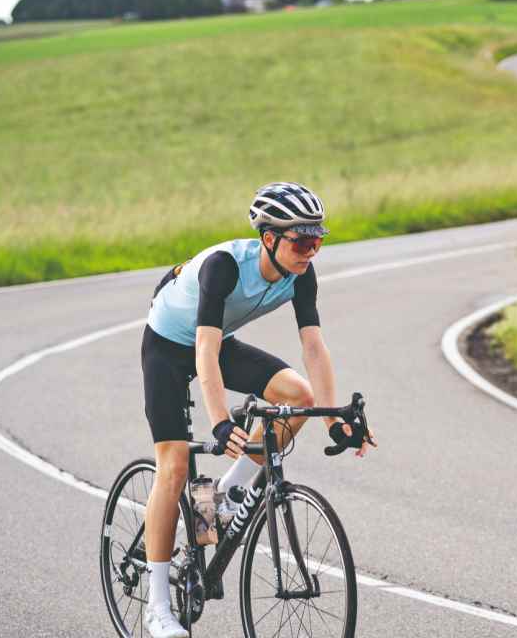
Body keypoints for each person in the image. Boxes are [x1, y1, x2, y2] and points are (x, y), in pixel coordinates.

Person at [139, 182, 375, 638]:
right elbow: (203, 352)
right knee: (174, 465)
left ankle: (228, 495)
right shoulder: (224, 267)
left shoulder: (301, 274)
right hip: (169, 346)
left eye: (318, 241)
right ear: (269, 238)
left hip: (218, 342)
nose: (311, 251)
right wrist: (220, 420)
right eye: (302, 241)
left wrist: (331, 417)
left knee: (299, 399)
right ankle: (158, 607)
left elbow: (313, 345)